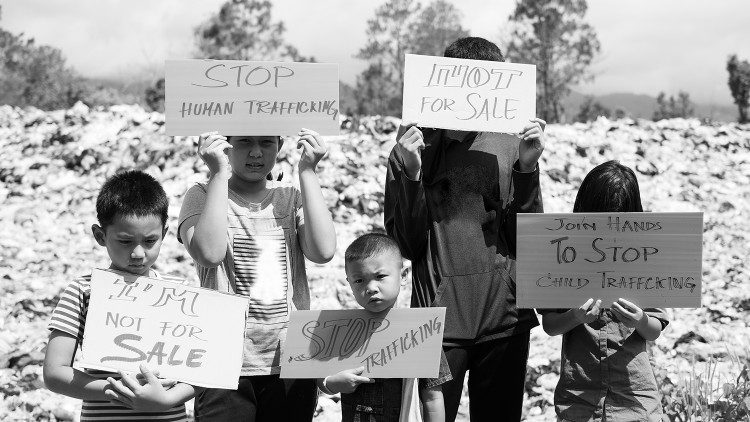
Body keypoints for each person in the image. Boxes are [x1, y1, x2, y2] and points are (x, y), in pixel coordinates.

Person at [384, 36, 546, 421]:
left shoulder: (512, 145)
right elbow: (404, 244)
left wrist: (527, 170)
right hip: (436, 322)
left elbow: (529, 239)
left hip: (504, 318)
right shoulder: (412, 147)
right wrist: (411, 171)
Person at [178, 129, 336, 421]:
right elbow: (210, 254)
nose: (256, 152)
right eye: (244, 142)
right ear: (226, 145)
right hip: (222, 365)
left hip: (290, 360)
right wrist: (217, 173)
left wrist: (308, 171)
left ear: (281, 144)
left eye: (266, 142)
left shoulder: (290, 199)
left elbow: (323, 251)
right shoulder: (201, 194)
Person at [43, 170, 194, 421]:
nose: (138, 253)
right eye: (125, 241)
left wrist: (168, 398)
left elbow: (206, 372)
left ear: (164, 235)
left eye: (149, 241)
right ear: (100, 236)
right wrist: (118, 391)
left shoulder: (180, 294)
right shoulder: (83, 292)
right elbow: (55, 373)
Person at [540, 160, 669, 421]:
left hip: (635, 398)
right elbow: (550, 325)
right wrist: (575, 317)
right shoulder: (562, 253)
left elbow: (654, 330)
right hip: (579, 398)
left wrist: (640, 320)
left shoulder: (646, 256)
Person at [319, 233, 452, 422]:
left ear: (403, 275)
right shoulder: (342, 331)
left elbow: (433, 398)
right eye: (359, 280)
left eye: (380, 276)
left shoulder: (422, 331)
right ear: (349, 283)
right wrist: (333, 383)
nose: (371, 287)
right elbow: (320, 379)